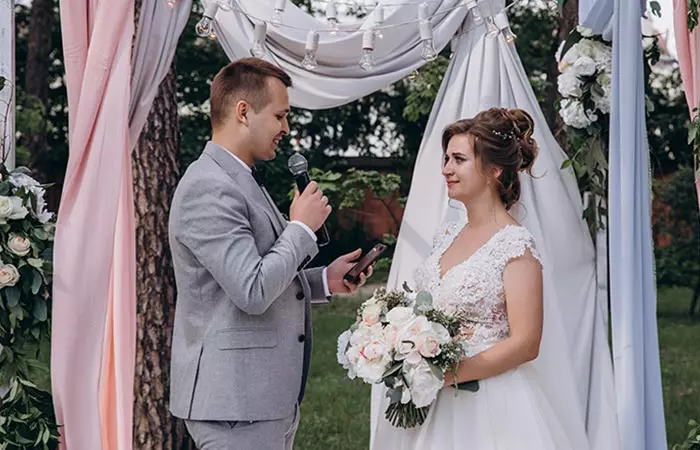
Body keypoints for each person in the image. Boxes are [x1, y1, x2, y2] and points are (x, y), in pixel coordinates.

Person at [168, 57, 370, 450]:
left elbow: (251, 276)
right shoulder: (208, 186)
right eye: (280, 115)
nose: (285, 129)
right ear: (244, 112)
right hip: (235, 404)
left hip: (261, 399)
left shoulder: (241, 178)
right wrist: (300, 228)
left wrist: (321, 281)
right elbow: (252, 290)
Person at [371, 108, 589, 449]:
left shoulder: (515, 245)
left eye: (458, 159)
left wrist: (447, 374)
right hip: (431, 399)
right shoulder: (448, 234)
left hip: (489, 403)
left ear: (494, 170)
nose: (446, 169)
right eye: (445, 159)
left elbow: (526, 343)